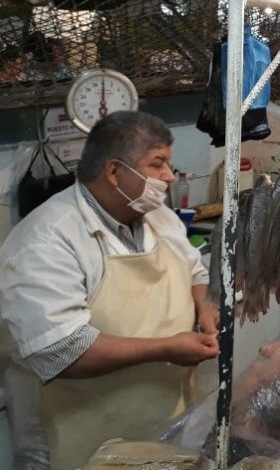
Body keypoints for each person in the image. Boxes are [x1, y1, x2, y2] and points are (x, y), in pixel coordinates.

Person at [0, 111, 221, 470]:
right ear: (115, 172)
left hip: (159, 417)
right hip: (75, 434)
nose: (169, 176)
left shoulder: (158, 216)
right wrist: (167, 348)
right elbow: (61, 350)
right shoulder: (47, 240)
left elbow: (194, 269)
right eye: (157, 164)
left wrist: (205, 304)